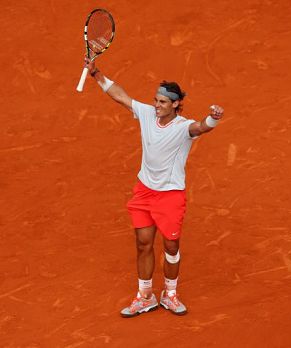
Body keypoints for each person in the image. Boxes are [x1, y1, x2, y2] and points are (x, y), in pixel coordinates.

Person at [84, 57, 224, 317]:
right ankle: (145, 296)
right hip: (144, 191)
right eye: (156, 100)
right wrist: (96, 74)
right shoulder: (148, 114)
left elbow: (201, 127)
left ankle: (170, 294)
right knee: (143, 242)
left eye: (162, 102)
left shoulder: (183, 128)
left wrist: (213, 118)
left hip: (170, 196)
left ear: (175, 104)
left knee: (171, 247)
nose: (156, 105)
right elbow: (121, 96)